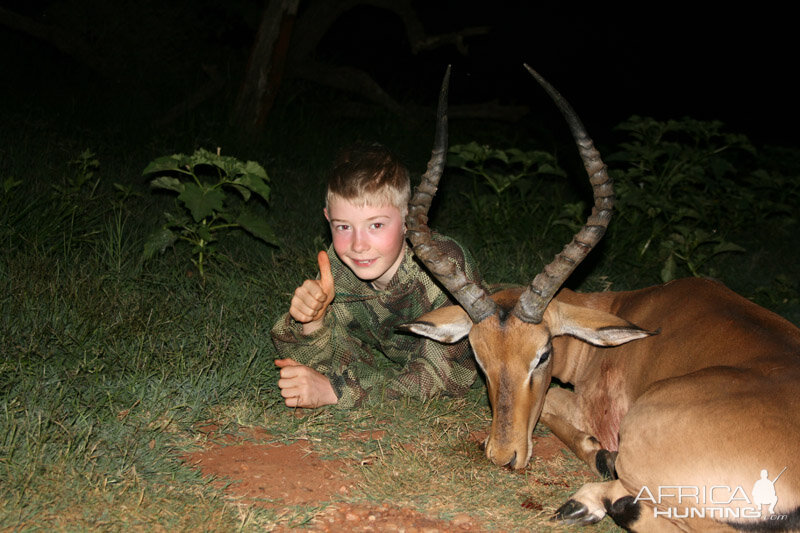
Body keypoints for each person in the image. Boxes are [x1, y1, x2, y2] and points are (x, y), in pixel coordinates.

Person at [270, 142, 481, 409]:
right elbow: (301, 353)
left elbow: (448, 378)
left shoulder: (444, 267)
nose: (358, 245)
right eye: (344, 226)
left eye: (376, 225)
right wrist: (313, 322)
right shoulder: (341, 267)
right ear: (327, 219)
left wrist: (337, 392)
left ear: (408, 219)